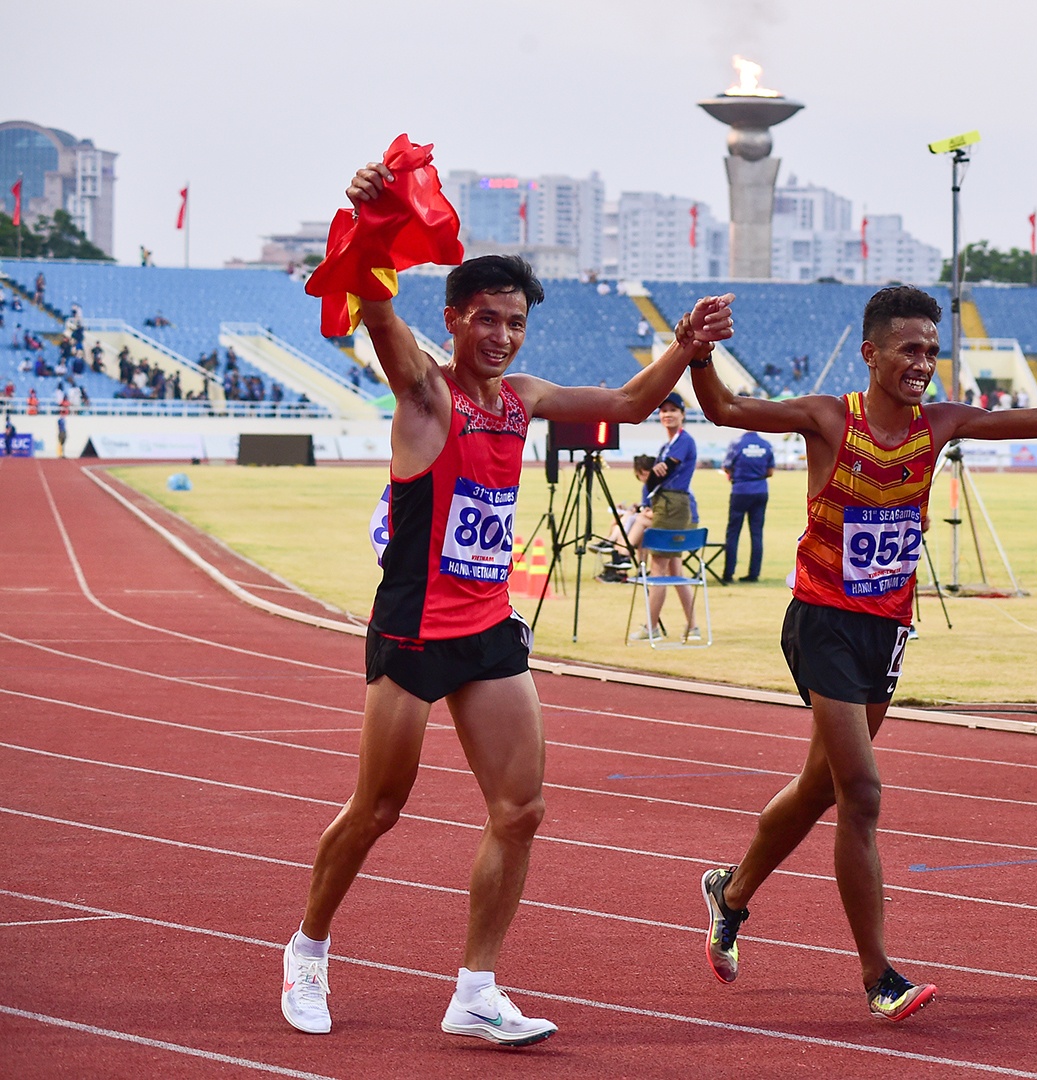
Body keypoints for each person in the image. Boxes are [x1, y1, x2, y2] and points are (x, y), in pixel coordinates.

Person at [279, 158, 734, 1045]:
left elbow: (632, 400)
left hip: (488, 626)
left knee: (521, 810)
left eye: (514, 323)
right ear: (452, 320)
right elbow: (376, 305)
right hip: (412, 630)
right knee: (377, 808)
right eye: (485, 319)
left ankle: (475, 989)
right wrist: (373, 214)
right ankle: (308, 948)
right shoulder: (423, 389)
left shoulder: (522, 401)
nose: (500, 335)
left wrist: (685, 345)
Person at [688, 284, 1037, 1021]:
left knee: (822, 788)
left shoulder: (940, 424)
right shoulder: (825, 417)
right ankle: (879, 976)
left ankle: (733, 890)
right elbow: (722, 411)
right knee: (863, 794)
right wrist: (702, 353)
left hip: (886, 628)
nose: (922, 363)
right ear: (871, 353)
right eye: (909, 349)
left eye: (931, 351)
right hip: (822, 622)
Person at [631, 392, 700, 641]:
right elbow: (654, 478)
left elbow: (660, 474)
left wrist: (655, 475)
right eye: (663, 411)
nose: (667, 415)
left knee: (658, 567)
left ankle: (652, 628)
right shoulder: (667, 445)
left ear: (683, 415)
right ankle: (692, 626)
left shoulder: (683, 441)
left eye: (673, 410)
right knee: (674, 568)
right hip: (668, 504)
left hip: (673, 505)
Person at [720, 428, 775, 583]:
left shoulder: (737, 443)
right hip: (760, 489)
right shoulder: (765, 444)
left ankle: (728, 573)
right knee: (756, 533)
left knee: (733, 532)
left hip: (740, 490)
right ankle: (754, 573)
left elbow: (727, 466)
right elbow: (770, 471)